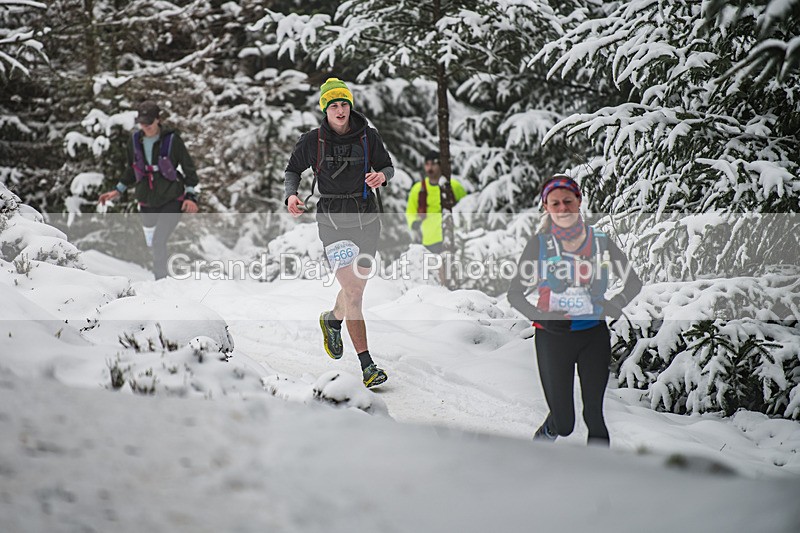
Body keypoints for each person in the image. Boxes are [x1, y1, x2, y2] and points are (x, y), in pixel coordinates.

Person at [507, 175, 642, 446]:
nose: (562, 208)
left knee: (595, 416)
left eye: (568, 201)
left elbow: (633, 282)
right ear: (546, 207)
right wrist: (542, 317)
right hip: (553, 339)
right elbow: (515, 294)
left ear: (579, 201)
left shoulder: (600, 241)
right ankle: (539, 447)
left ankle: (596, 481)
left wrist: (615, 303)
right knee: (564, 423)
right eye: (555, 203)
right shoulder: (540, 244)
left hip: (593, 336)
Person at [284, 78, 394, 389]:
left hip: (367, 221)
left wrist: (380, 177)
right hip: (333, 223)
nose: (340, 109)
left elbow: (388, 167)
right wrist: (292, 196)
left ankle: (333, 320)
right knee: (355, 293)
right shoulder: (313, 140)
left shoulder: (367, 138)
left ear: (350, 106)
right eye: (333, 105)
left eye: (344, 103)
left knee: (355, 288)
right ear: (326, 109)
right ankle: (367, 365)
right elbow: (293, 170)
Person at [98, 101, 199, 279]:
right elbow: (133, 169)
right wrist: (117, 190)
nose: (146, 127)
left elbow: (188, 169)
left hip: (172, 198)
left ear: (158, 120)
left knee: (159, 240)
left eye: (149, 124)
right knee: (153, 243)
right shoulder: (135, 140)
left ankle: (162, 282)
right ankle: (168, 273)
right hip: (146, 201)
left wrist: (191, 197)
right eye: (142, 124)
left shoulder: (172, 140)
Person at [405, 151, 467, 254]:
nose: (430, 168)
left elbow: (466, 207)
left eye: (433, 164)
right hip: (429, 239)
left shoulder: (454, 186)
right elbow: (410, 211)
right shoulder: (418, 189)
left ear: (440, 165)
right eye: (427, 164)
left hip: (452, 236)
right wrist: (413, 223)